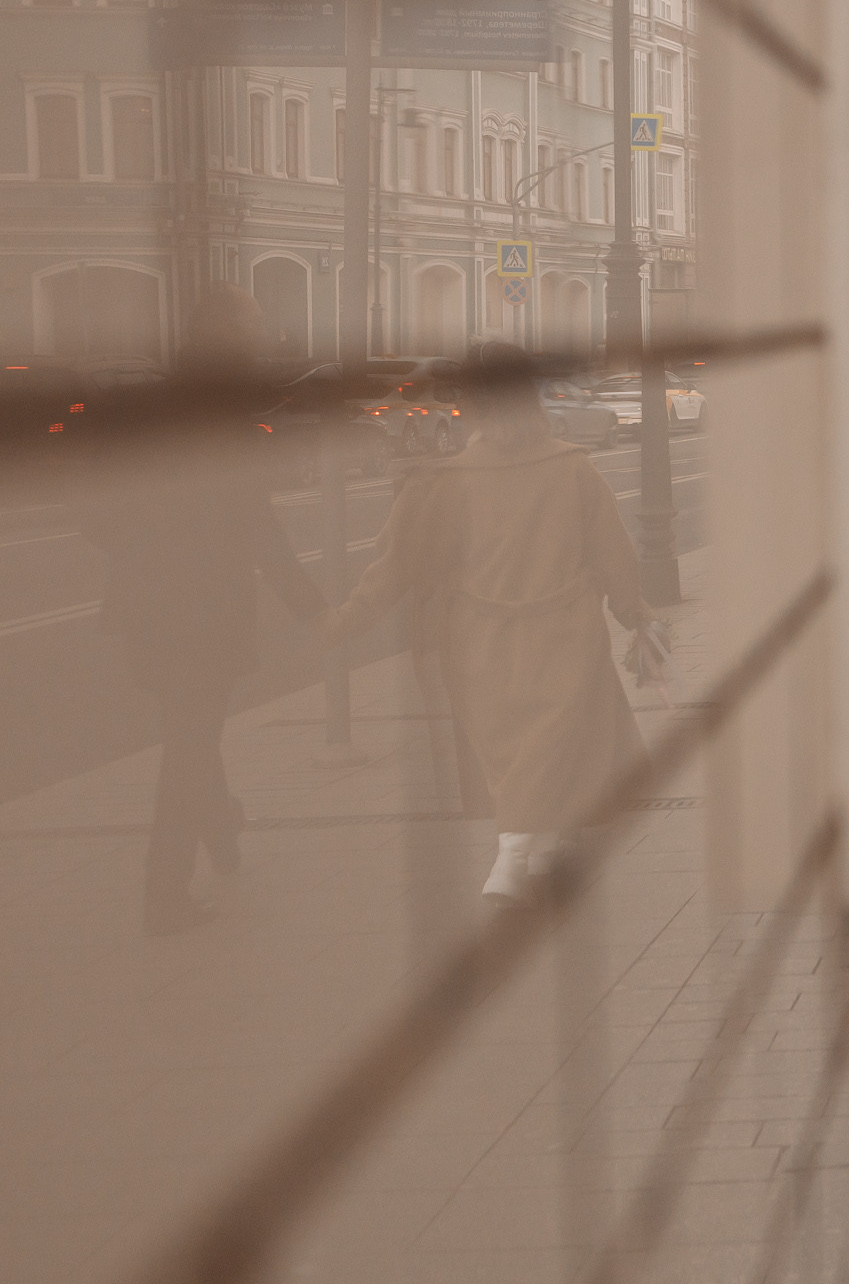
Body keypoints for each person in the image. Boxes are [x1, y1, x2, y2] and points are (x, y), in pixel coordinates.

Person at [322, 343, 655, 905]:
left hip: (479, 642)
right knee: (550, 745)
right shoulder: (573, 468)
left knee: (508, 750)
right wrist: (637, 616)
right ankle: (520, 851)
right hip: (564, 638)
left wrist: (342, 623)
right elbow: (612, 555)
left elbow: (397, 563)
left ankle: (522, 849)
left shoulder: (443, 481)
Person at [78, 285, 327, 934]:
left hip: (147, 606)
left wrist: (141, 554)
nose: (264, 332)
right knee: (190, 745)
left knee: (188, 728)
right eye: (253, 325)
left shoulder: (141, 404)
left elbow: (94, 510)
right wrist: (312, 606)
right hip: (204, 607)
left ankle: (221, 829)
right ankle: (164, 895)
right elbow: (257, 525)